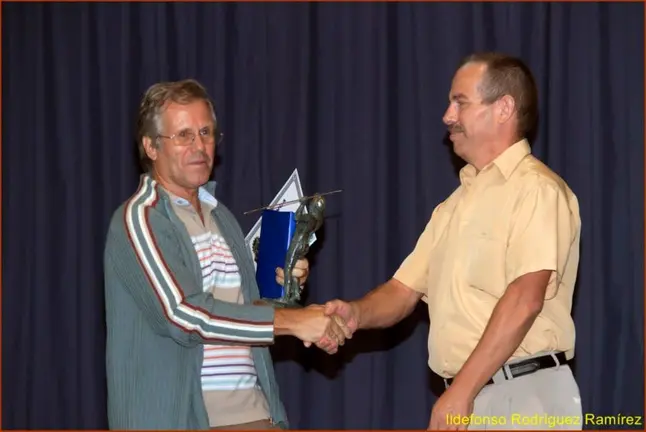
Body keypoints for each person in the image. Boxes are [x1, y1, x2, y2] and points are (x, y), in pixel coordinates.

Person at [324, 52, 583, 430]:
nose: (447, 115)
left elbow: (525, 298)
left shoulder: (538, 190)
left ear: (504, 108)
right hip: (477, 394)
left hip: (521, 393)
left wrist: (461, 390)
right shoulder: (452, 206)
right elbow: (403, 290)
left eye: (460, 102)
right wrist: (356, 314)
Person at [103, 79, 347, 430]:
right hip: (180, 419)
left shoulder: (222, 217)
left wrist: (287, 295)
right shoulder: (140, 218)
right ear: (151, 147)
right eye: (183, 135)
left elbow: (244, 312)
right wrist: (295, 322)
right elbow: (184, 316)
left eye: (206, 133)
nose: (199, 146)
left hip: (255, 413)